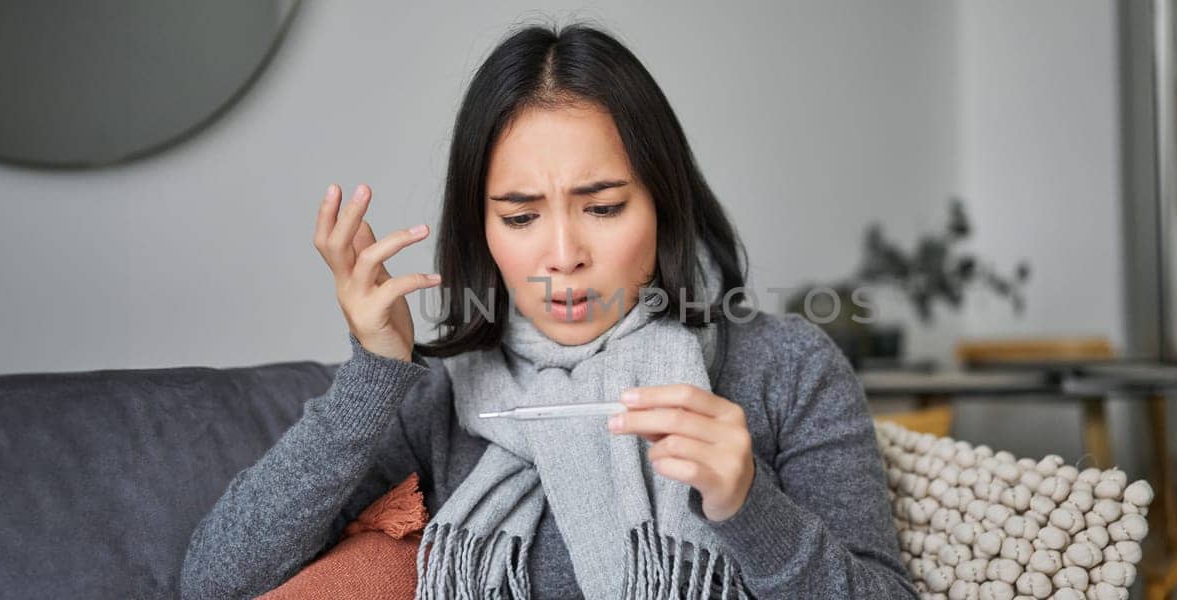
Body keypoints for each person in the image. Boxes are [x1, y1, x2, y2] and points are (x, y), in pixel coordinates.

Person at [181, 22, 915, 600]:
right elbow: (216, 581)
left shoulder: (783, 368)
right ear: (483, 229)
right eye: (522, 217)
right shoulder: (441, 398)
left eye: (602, 207)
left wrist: (750, 504)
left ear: (663, 202)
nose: (563, 254)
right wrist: (375, 372)